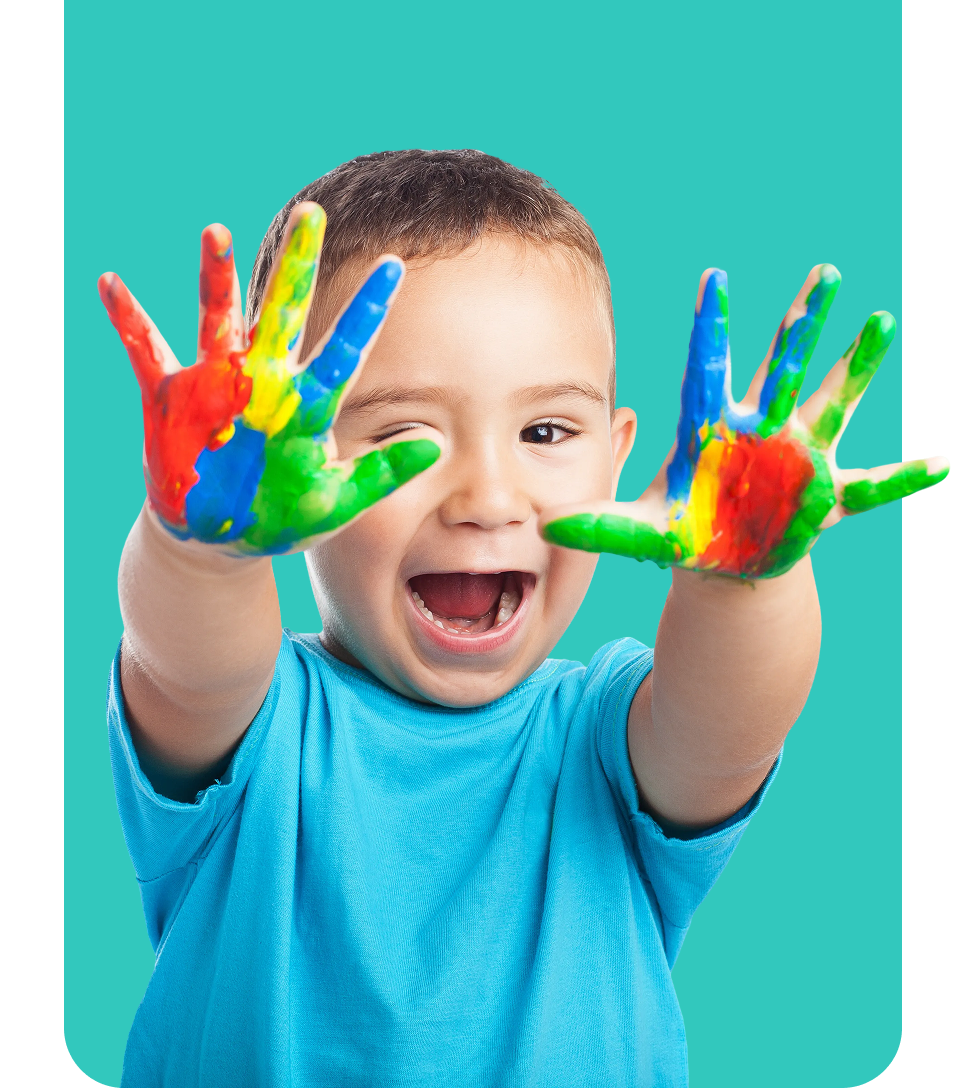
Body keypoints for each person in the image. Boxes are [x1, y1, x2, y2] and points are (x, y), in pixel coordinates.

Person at [99, 149, 945, 1088]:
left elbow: (731, 725)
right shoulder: (252, 723)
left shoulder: (605, 737)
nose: (487, 496)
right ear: (296, 458)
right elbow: (186, 657)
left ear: (617, 459)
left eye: (545, 433)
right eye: (405, 433)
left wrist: (743, 577)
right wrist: (203, 543)